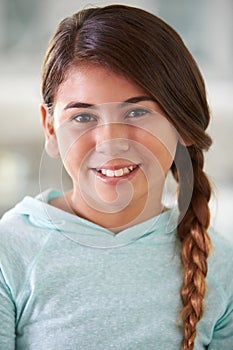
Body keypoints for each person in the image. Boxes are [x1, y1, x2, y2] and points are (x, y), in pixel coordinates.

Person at [0, 4, 233, 350]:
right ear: (50, 128)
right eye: (83, 117)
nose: (111, 142)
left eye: (137, 112)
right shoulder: (11, 251)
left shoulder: (221, 265)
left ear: (183, 123)